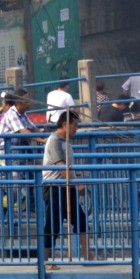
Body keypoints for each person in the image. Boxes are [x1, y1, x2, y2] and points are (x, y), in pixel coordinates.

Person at [40, 108, 89, 264]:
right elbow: (61, 166)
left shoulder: (65, 142)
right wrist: (77, 183)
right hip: (54, 187)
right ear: (65, 124)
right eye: (75, 125)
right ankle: (44, 260)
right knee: (52, 224)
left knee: (80, 220)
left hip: (66, 187)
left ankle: (87, 254)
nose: (76, 128)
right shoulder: (54, 140)